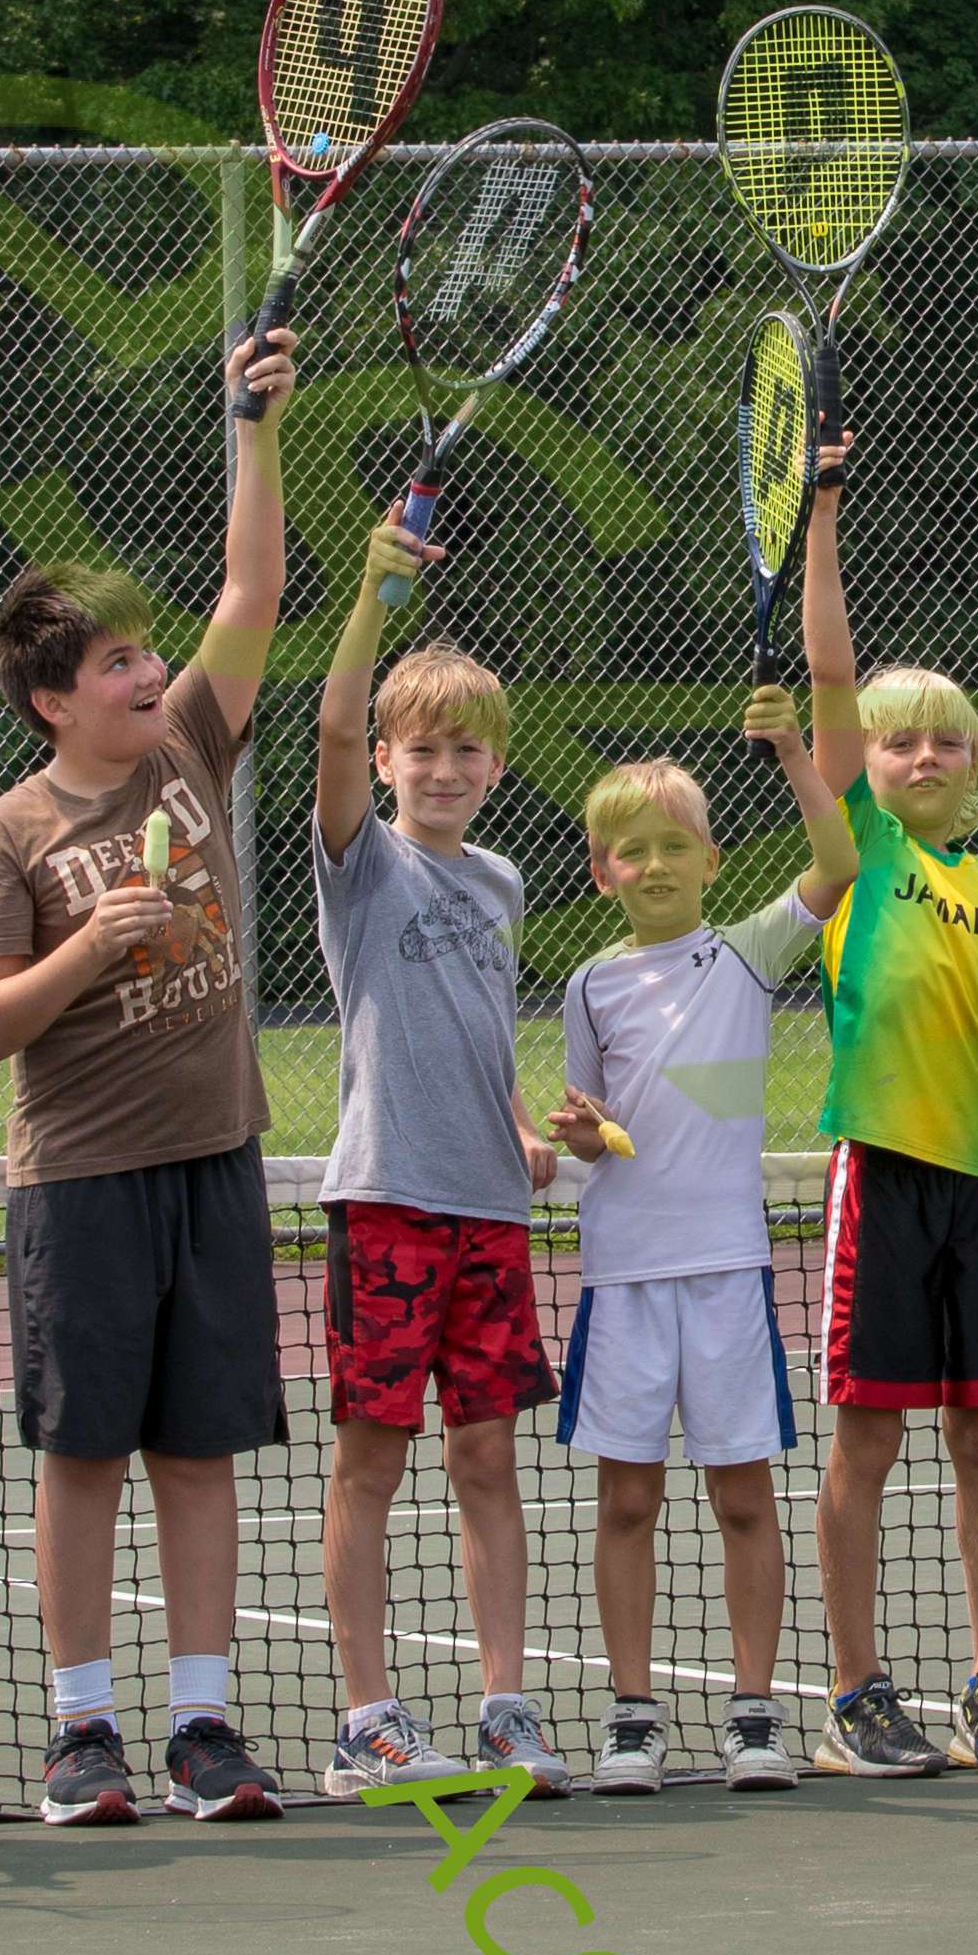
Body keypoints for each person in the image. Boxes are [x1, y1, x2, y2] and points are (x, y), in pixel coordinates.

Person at [0, 323, 304, 1827]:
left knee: (202, 1448)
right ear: (52, 696)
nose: (152, 673)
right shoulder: (7, 833)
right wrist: (96, 941)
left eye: (146, 654)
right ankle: (81, 1730)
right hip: (82, 1185)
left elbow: (256, 591)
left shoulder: (190, 756)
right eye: (117, 663)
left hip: (214, 1163)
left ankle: (202, 1723)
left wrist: (255, 423)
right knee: (86, 1454)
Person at [782, 418, 978, 1777]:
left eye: (945, 743)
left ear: (974, 762)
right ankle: (854, 1687)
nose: (919, 757)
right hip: (884, 1174)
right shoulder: (863, 854)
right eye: (897, 744)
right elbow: (831, 666)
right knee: (869, 1435)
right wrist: (825, 507)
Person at [306, 523, 569, 1795]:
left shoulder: (505, 882)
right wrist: (373, 597)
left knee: (486, 1456)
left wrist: (520, 1126)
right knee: (371, 1453)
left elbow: (480, 1028)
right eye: (423, 747)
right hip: (385, 1201)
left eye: (469, 748)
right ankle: (368, 1716)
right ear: (387, 759)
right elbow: (332, 723)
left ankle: (505, 1704)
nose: (447, 766)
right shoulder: (362, 861)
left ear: (497, 764)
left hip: (488, 1210)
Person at [550, 720, 831, 1797]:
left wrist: (793, 752)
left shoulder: (750, 953)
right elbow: (593, 1127)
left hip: (727, 1274)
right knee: (627, 1503)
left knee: (744, 1499)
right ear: (601, 869)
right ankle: (632, 1716)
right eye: (633, 850)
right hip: (623, 1279)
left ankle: (753, 1712)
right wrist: (581, 1140)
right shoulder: (587, 987)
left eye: (677, 845)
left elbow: (838, 862)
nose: (656, 865)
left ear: (712, 861)